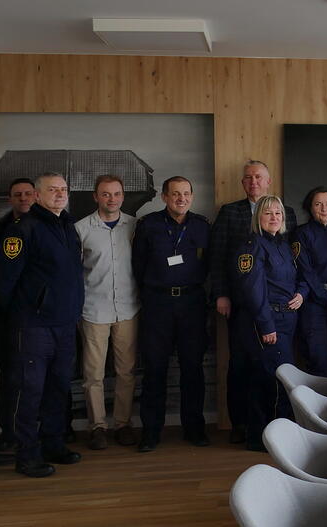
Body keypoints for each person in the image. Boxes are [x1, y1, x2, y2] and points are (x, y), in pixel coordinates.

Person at [0, 171, 84, 478]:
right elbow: (5, 281)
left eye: (63, 189)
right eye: (52, 189)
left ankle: (53, 445)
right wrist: (21, 317)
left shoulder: (68, 226)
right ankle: (27, 455)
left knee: (58, 388)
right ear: (37, 194)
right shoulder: (23, 229)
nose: (59, 194)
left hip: (64, 324)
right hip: (33, 326)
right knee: (29, 391)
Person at [208, 160, 296, 444]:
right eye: (248, 177)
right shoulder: (233, 216)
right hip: (248, 310)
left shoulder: (282, 228)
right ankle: (246, 427)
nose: (254, 182)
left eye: (259, 177)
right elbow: (219, 257)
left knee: (268, 373)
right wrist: (221, 293)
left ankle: (269, 431)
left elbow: (292, 266)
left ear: (268, 181)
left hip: (279, 314)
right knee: (245, 368)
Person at [132, 176, 211, 452]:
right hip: (158, 304)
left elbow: (209, 264)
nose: (181, 198)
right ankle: (151, 432)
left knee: (193, 368)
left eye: (186, 193)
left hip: (192, 303)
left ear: (192, 196)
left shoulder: (202, 226)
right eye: (175, 194)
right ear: (164, 197)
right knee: (155, 369)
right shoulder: (148, 225)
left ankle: (194, 429)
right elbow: (138, 266)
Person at [230, 195, 308, 451]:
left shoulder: (283, 245)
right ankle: (267, 439)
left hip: (287, 320)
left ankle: (273, 435)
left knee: (278, 378)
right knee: (271, 381)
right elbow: (253, 291)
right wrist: (267, 326)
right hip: (267, 321)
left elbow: (296, 278)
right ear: (258, 217)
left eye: (278, 213)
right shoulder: (252, 246)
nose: (274, 217)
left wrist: (301, 294)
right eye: (268, 213)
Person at [74, 175, 140, 450]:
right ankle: (98, 427)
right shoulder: (81, 229)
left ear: (123, 196)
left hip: (128, 308)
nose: (112, 199)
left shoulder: (135, 227)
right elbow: (74, 272)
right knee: (94, 374)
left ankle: (122, 424)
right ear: (96, 196)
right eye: (106, 194)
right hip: (93, 310)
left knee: (126, 372)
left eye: (116, 194)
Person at [0, 177, 36, 454]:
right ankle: (9, 433)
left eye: (28, 194)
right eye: (17, 195)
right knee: (12, 376)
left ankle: (51, 431)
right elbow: (1, 278)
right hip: (12, 315)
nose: (23, 199)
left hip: (41, 315)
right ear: (10, 199)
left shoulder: (50, 226)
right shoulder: (1, 229)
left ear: (36, 196)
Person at [294, 187, 327, 377]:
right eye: (318, 204)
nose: (324, 209)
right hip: (313, 304)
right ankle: (315, 398)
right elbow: (306, 272)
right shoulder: (301, 233)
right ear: (310, 207)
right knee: (318, 359)